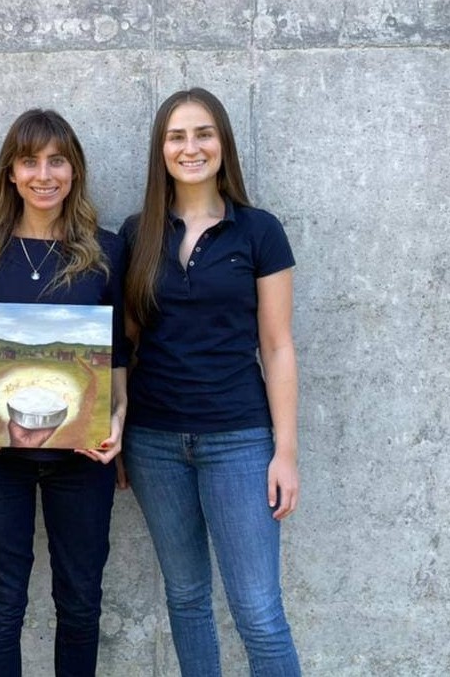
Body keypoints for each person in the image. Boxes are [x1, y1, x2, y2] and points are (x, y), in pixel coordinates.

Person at [120, 88, 302, 676]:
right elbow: (125, 347)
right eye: (177, 136)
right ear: (161, 149)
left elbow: (276, 347)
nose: (190, 147)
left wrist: (286, 452)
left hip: (240, 442)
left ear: (223, 144)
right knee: (187, 599)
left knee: (258, 612)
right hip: (153, 443)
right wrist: (114, 432)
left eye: (203, 134)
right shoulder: (136, 234)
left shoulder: (258, 231)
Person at [0, 109, 128, 677]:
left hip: (82, 458)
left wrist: (119, 418)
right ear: (11, 172)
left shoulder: (105, 250)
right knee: (1, 604)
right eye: (30, 161)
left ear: (75, 170)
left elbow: (118, 351)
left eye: (57, 160)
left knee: (79, 604)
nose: (43, 174)